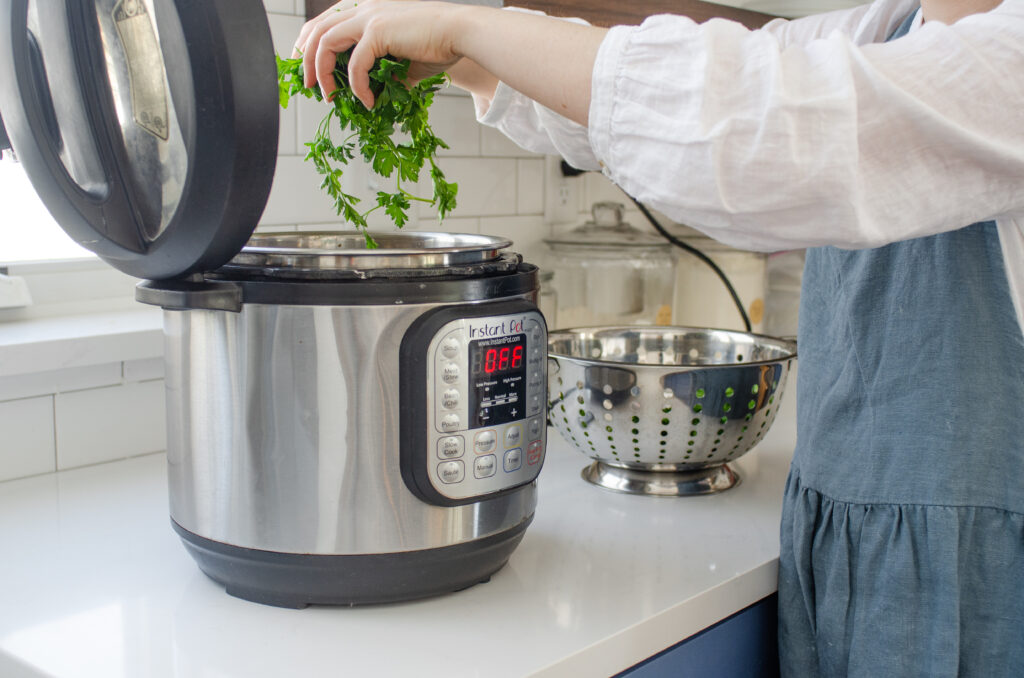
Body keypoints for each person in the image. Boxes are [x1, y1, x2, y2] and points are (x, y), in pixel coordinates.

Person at [294, 0, 1024, 675]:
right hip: (844, 542)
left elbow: (762, 129)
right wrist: (472, 61)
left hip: (980, 573)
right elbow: (685, 92)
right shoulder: (886, 27)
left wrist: (471, 27)